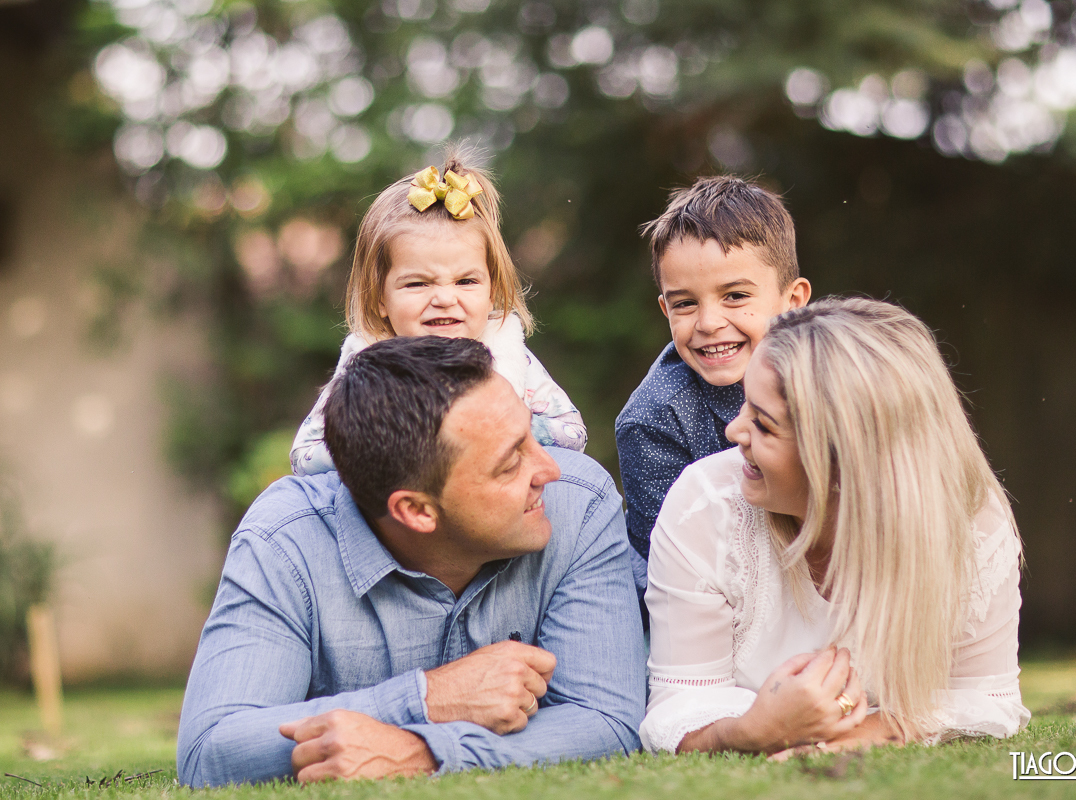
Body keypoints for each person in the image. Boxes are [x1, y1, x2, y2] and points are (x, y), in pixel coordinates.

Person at [178, 337, 643, 786]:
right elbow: (212, 749)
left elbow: (606, 721)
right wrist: (429, 698)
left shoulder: (578, 505)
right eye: (510, 463)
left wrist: (421, 751)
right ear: (416, 510)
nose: (550, 469)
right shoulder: (285, 542)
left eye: (530, 435)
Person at [640, 297, 1030, 755]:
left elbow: (984, 699)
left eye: (764, 425)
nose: (733, 431)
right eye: (746, 405)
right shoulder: (703, 508)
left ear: (845, 465)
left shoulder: (970, 523)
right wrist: (753, 730)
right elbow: (678, 706)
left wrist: (857, 736)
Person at [291, 151, 586, 477]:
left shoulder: (506, 354)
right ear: (379, 299)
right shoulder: (367, 361)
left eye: (466, 281)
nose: (445, 298)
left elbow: (572, 435)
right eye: (417, 284)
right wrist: (388, 441)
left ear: (492, 292)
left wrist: (496, 430)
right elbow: (304, 457)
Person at [615, 176, 811, 608]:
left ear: (792, 301)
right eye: (685, 303)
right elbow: (671, 564)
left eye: (735, 296)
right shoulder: (653, 419)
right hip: (707, 600)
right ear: (666, 309)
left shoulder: (835, 377)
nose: (707, 322)